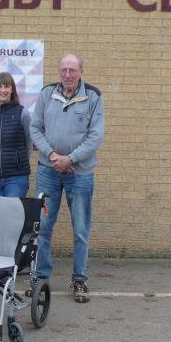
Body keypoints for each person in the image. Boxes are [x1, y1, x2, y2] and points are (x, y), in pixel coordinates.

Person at [30, 54, 104, 302]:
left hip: (79, 173)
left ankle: (79, 279)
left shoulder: (93, 96)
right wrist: (53, 155)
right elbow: (35, 128)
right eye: (64, 70)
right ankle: (40, 278)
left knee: (80, 229)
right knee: (42, 227)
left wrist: (70, 159)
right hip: (47, 171)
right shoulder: (46, 94)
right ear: (59, 72)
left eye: (73, 70)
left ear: (81, 71)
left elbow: (95, 137)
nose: (68, 75)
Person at [0, 72, 32, 198]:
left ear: (12, 89)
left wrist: (18, 162)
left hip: (17, 177)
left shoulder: (22, 112)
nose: (3, 90)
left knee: (13, 216)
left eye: (7, 86)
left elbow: (28, 142)